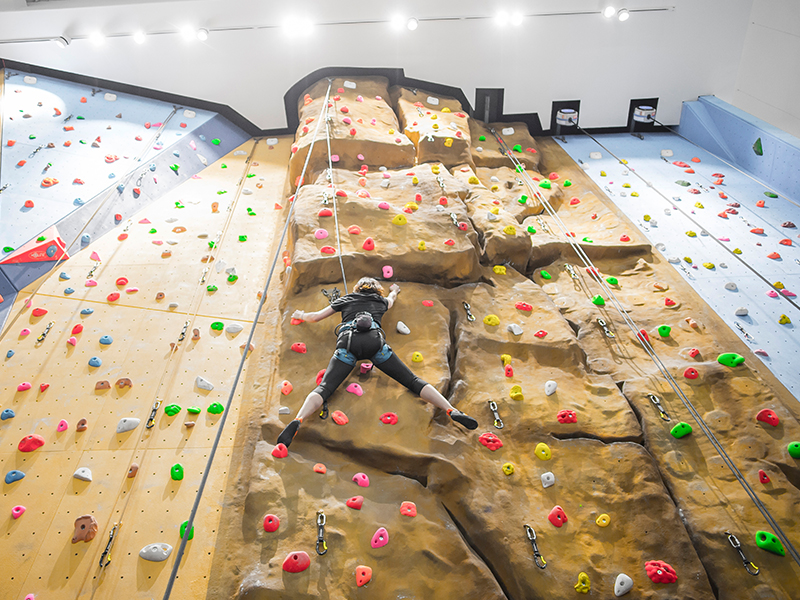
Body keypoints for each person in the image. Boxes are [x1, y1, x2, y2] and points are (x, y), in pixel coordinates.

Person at [277, 277, 478, 447]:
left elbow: (316, 317)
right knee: (412, 381)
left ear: (357, 289)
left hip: (348, 343)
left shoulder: (346, 299)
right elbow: (391, 299)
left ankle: (298, 419)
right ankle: (452, 410)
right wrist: (395, 290)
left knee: (325, 388)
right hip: (375, 344)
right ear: (376, 291)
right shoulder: (381, 302)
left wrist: (301, 315)